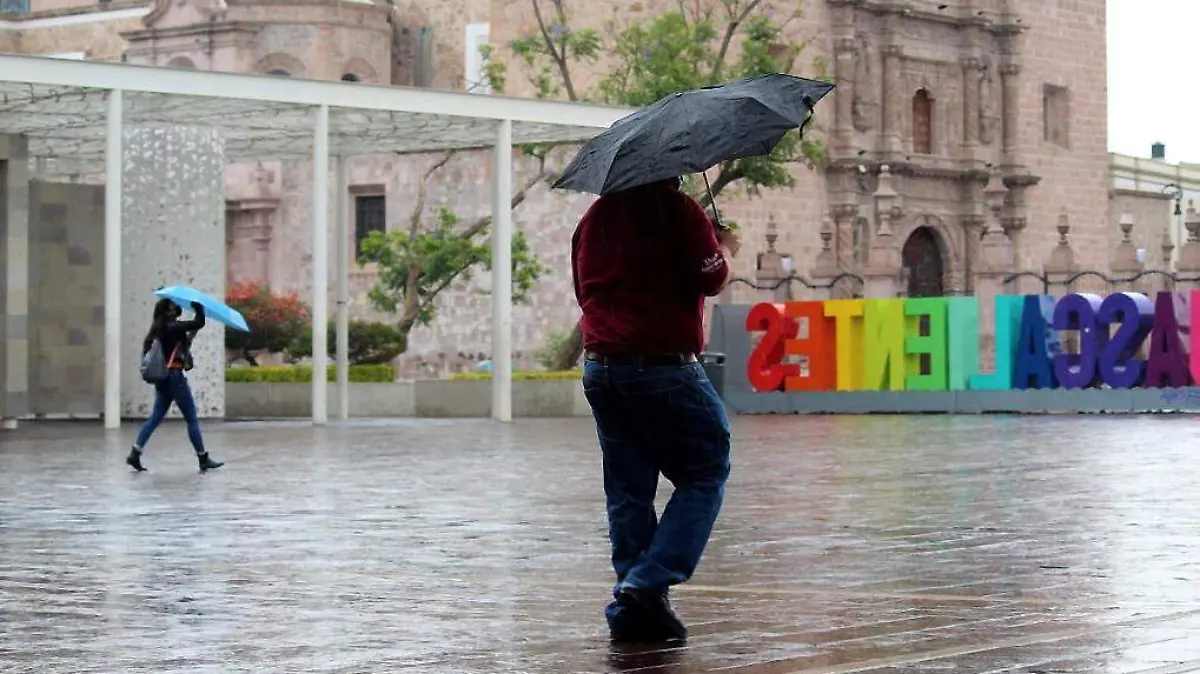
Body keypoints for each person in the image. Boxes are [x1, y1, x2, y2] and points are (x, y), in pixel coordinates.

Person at [572, 176, 740, 643]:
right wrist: (718, 247)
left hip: (603, 367)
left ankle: (631, 608)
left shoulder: (594, 217)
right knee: (705, 470)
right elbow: (711, 277)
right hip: (664, 365)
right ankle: (648, 580)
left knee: (628, 489)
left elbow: (582, 289)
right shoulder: (678, 210)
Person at [126, 298, 224, 473]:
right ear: (166, 311)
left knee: (155, 419)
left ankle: (135, 452)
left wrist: (190, 336)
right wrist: (198, 308)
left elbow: (180, 348)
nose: (177, 309)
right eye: (173, 308)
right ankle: (203, 458)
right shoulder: (171, 326)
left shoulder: (159, 329)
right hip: (175, 377)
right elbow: (199, 322)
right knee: (191, 419)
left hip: (163, 379)